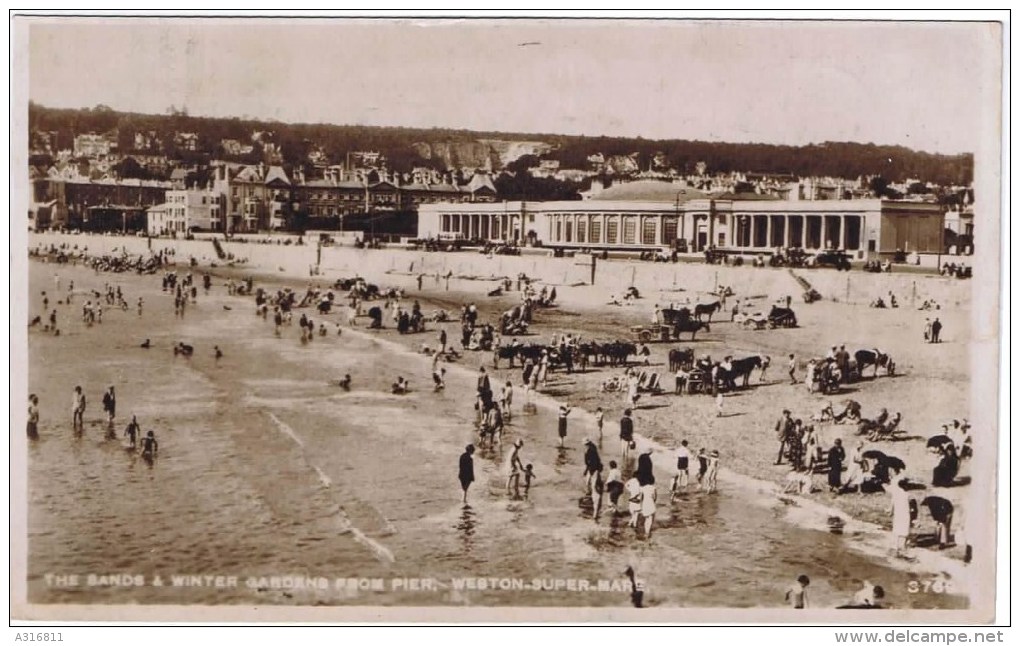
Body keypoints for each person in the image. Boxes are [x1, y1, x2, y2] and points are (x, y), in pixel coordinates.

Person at [890, 476, 913, 555]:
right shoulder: (907, 495)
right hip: (905, 514)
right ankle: (902, 547)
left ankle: (895, 547)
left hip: (897, 514)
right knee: (904, 530)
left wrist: (891, 512)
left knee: (896, 529)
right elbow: (911, 506)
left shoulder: (896, 494)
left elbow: (892, 504)